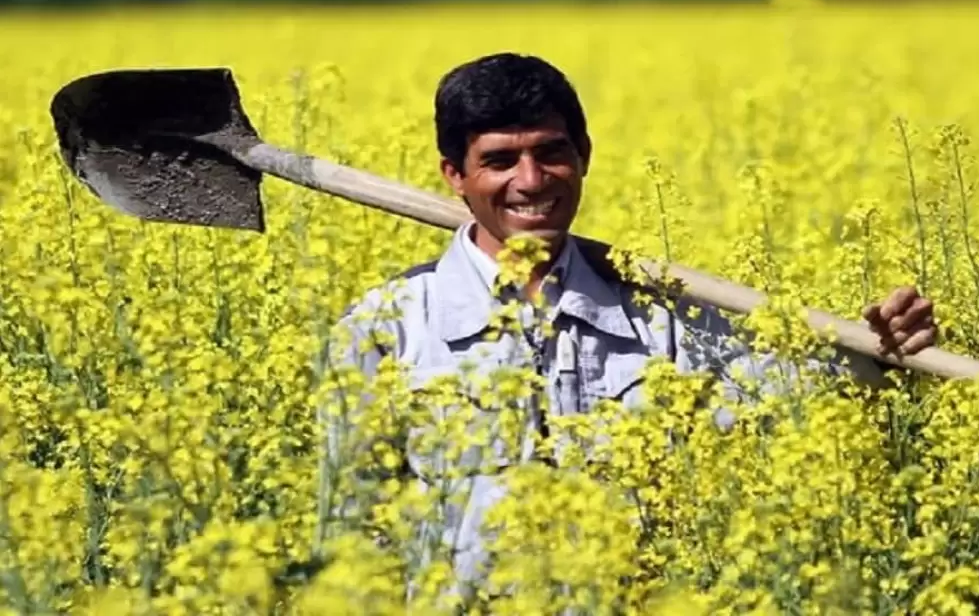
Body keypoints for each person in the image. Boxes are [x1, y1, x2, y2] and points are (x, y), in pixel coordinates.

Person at [322, 52, 938, 586]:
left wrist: (886, 342)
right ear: (455, 175)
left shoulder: (665, 319)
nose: (531, 180)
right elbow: (352, 537)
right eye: (501, 160)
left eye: (551, 152)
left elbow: (814, 387)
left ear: (584, 156)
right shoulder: (389, 328)